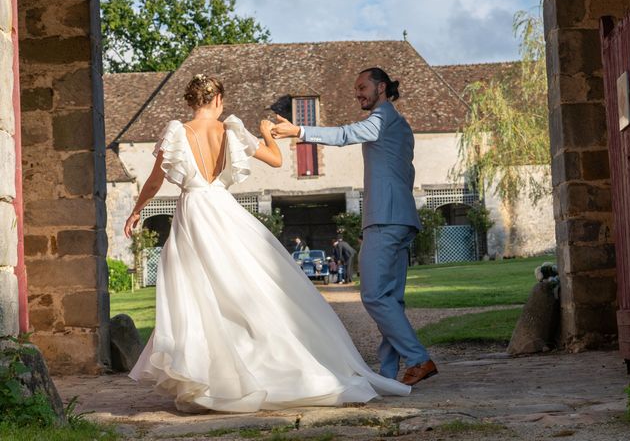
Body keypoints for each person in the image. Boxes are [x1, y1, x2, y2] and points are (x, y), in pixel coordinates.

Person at [124, 73, 410, 413]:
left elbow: (155, 180)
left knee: (197, 291)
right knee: (248, 284)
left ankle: (207, 377)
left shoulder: (176, 131)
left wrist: (136, 211)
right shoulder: (231, 129)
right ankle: (264, 361)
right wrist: (265, 134)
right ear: (218, 100)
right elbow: (276, 160)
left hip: (193, 211)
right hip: (224, 209)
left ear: (191, 101)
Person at [272, 67, 437, 386]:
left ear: (382, 87)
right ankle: (389, 373)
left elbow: (347, 134)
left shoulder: (382, 117)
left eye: (362, 87)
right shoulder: (401, 124)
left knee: (374, 296)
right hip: (402, 218)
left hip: (385, 218)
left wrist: (300, 132)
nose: (358, 93)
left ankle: (418, 359)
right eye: (356, 89)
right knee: (391, 299)